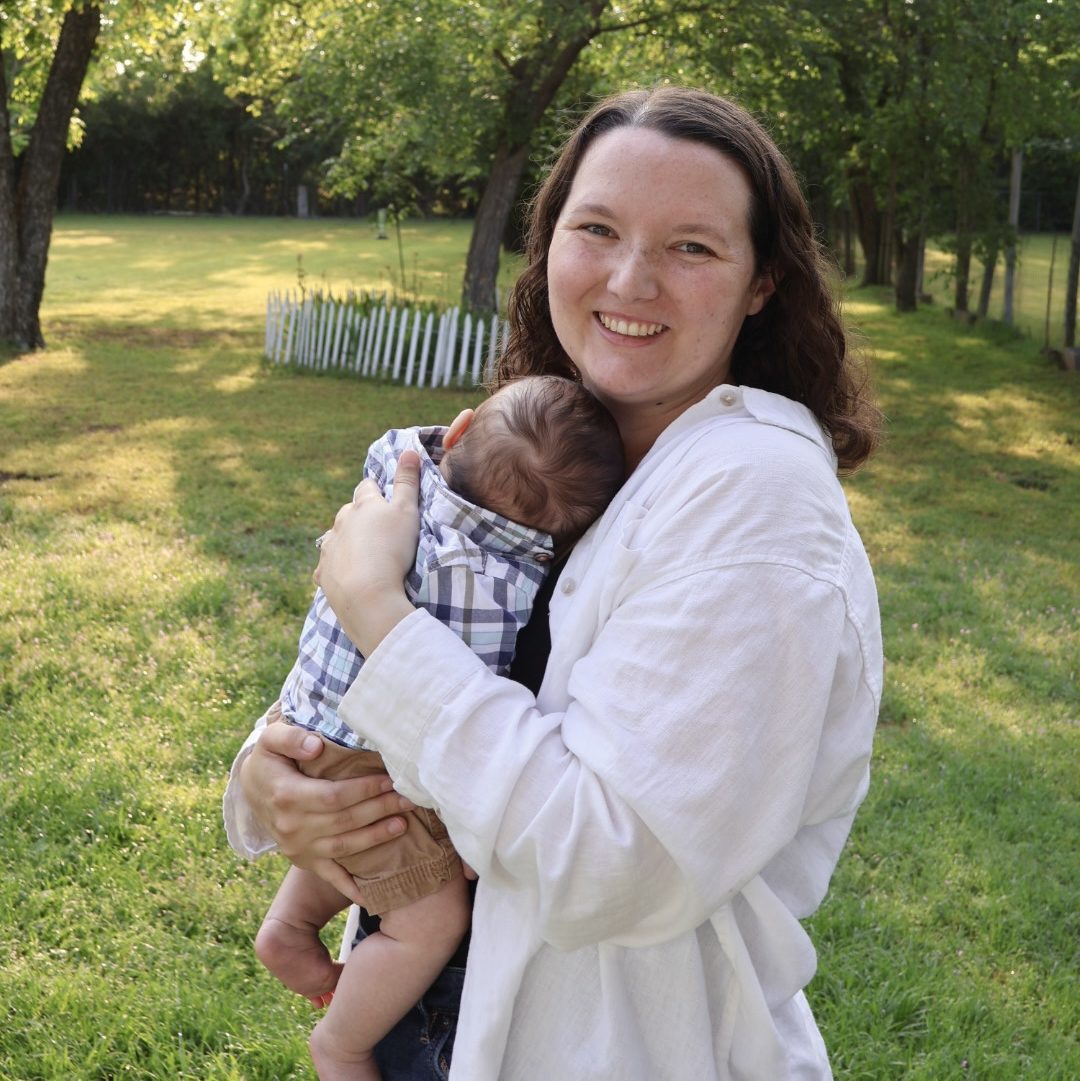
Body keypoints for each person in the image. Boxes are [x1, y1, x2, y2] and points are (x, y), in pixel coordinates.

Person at [225, 85, 884, 1080]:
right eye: (598, 228)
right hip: (449, 1010)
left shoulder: (755, 508)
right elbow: (390, 664)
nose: (631, 278)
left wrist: (378, 613)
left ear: (762, 284)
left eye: (691, 247)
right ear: (549, 244)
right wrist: (276, 783)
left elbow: (614, 864)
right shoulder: (556, 455)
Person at [250, 374, 625, 1080]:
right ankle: (342, 1043)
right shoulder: (495, 587)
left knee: (371, 846)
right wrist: (471, 823)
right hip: (373, 754)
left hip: (303, 717)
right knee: (430, 914)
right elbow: (448, 707)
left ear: (456, 430)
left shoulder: (395, 468)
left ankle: (289, 926)